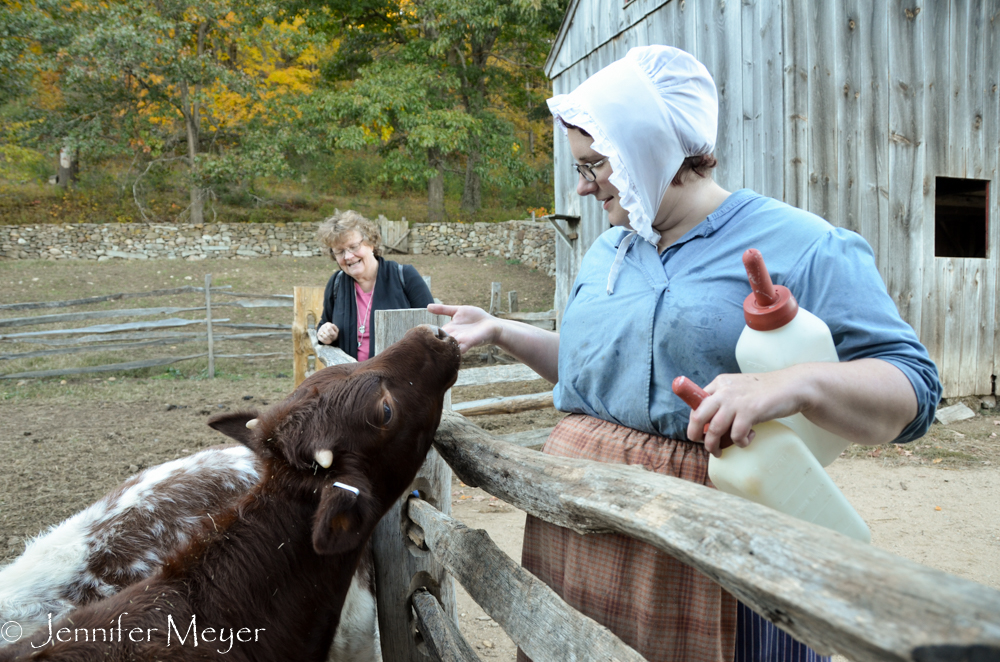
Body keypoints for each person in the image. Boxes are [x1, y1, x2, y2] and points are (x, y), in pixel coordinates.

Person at [428, 45, 941, 662]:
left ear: (649, 149)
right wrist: (503, 330)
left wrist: (796, 382)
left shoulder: (805, 245)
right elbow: (599, 376)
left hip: (713, 533)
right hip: (579, 518)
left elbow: (914, 392)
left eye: (595, 166)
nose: (585, 188)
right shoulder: (609, 250)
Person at [316, 210, 433, 361]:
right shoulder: (336, 283)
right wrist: (325, 333)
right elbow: (324, 324)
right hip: (351, 379)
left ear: (371, 243)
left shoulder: (405, 276)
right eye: (340, 252)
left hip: (398, 378)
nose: (348, 257)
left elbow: (433, 328)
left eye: (353, 247)